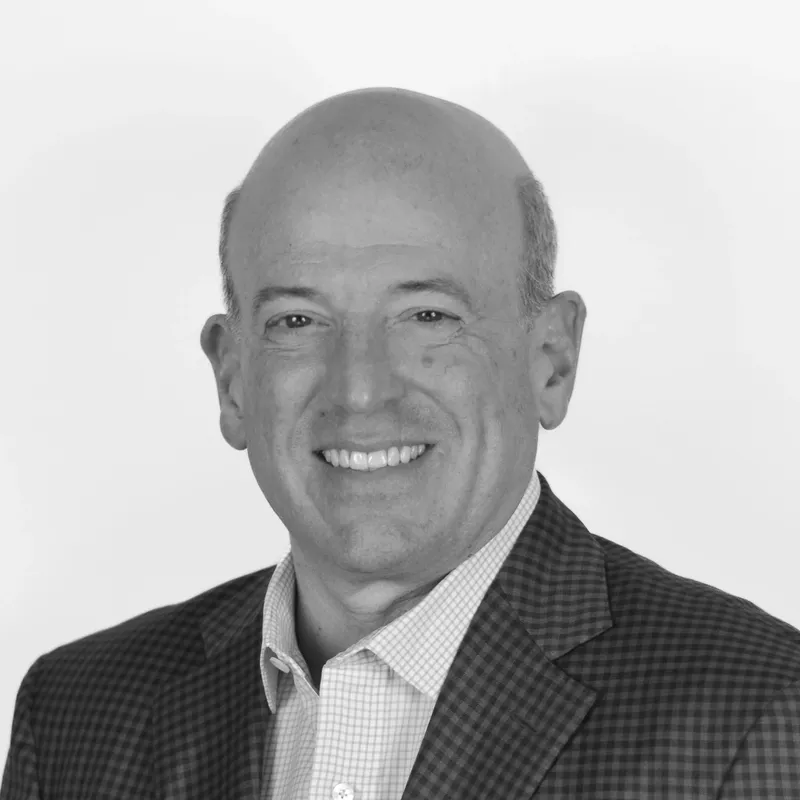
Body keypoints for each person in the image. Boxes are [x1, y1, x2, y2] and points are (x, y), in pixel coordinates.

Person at [3, 87, 799, 800]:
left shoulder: (753, 710)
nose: (360, 390)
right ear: (232, 379)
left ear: (550, 360)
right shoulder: (76, 715)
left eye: (428, 317)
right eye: (297, 322)